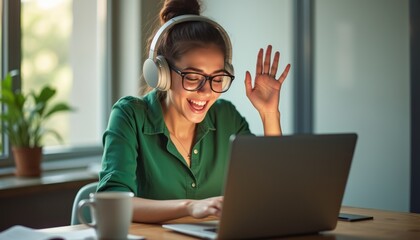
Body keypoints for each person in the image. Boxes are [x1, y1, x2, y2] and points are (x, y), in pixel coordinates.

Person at [97, 0, 290, 223]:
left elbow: (274, 188)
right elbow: (112, 202)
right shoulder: (129, 115)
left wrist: (269, 114)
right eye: (193, 77)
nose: (206, 91)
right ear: (162, 74)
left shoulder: (226, 116)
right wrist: (190, 207)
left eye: (217, 78)